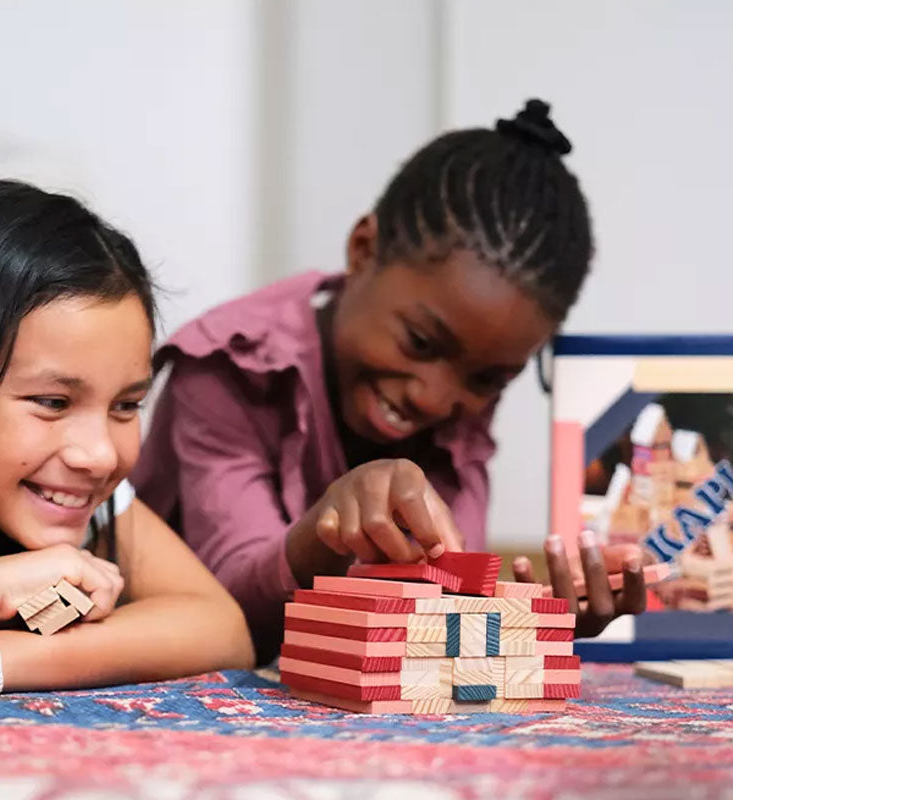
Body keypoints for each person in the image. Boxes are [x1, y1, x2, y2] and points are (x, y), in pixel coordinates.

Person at [133, 100, 647, 664]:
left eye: (487, 380)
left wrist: (532, 620)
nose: (434, 397)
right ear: (362, 250)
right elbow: (233, 608)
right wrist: (326, 528)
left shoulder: (461, 405)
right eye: (421, 343)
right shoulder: (230, 366)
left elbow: (441, 608)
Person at [0, 180, 254, 705]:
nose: (100, 455)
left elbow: (218, 627)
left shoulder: (72, 492)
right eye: (53, 403)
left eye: (126, 405)